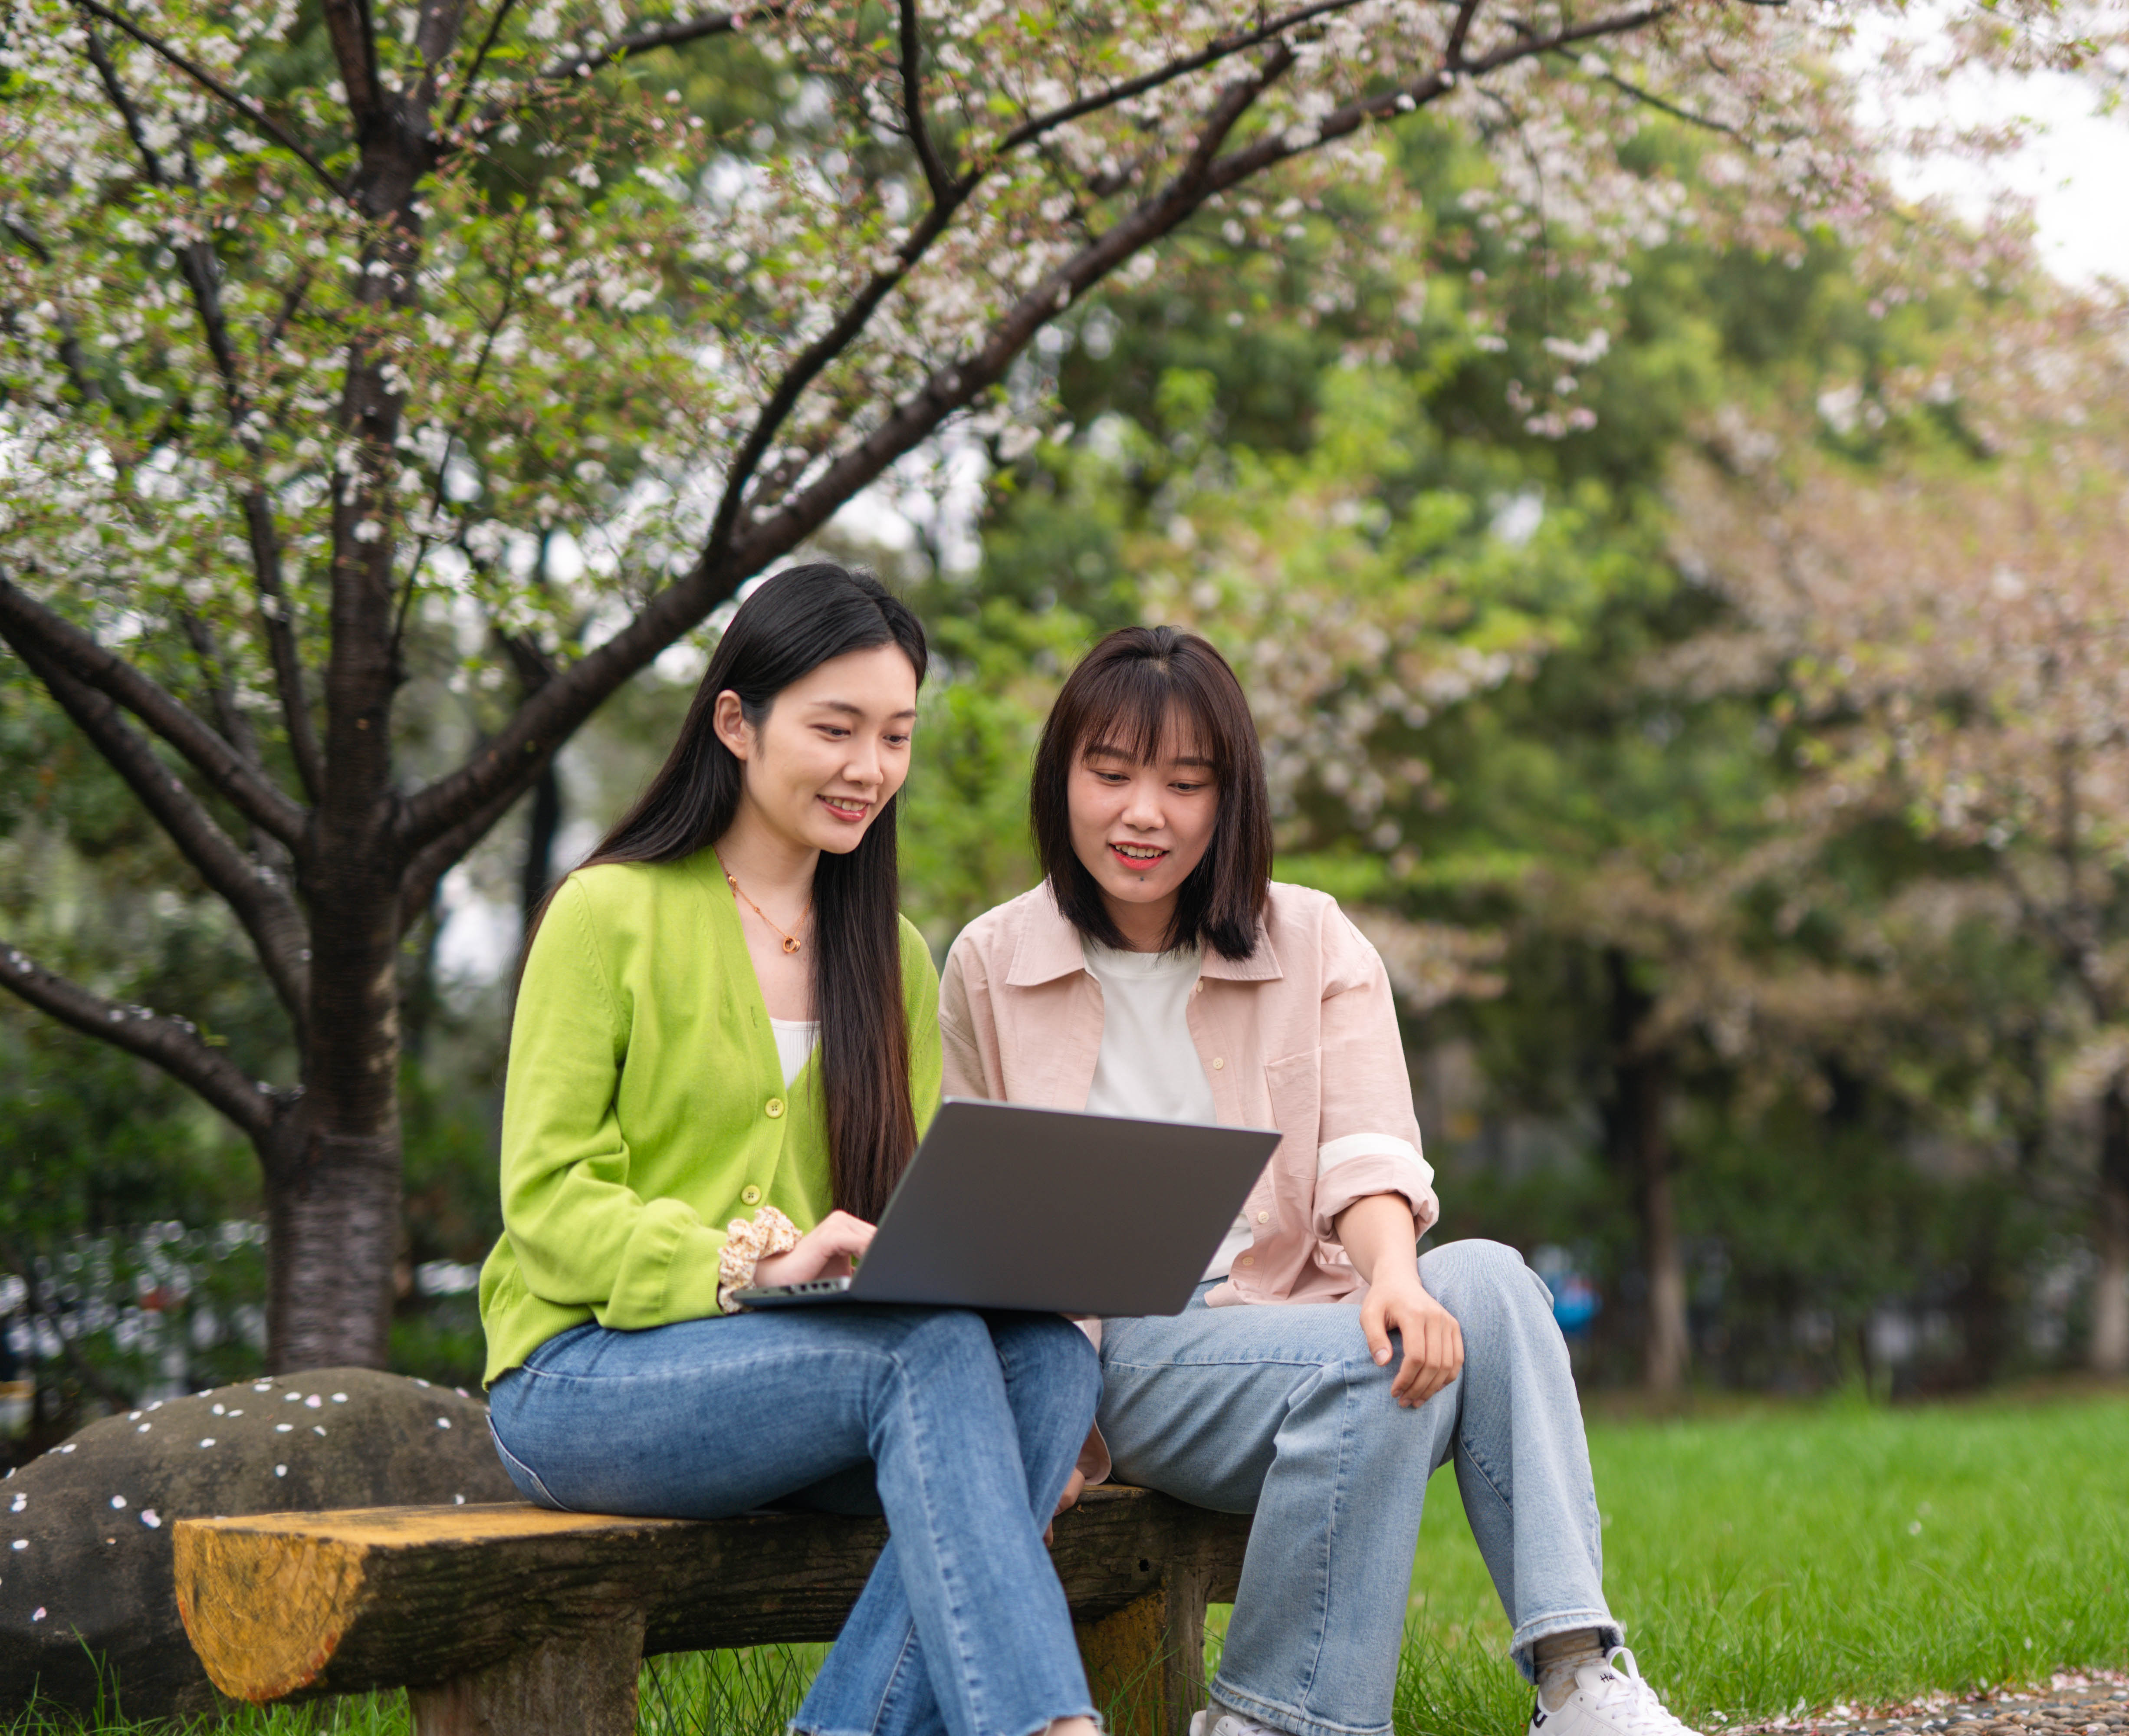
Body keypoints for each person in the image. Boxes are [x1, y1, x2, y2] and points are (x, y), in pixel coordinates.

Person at [937, 626, 1705, 1736]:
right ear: (1062, 780)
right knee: (1383, 1355)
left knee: (1482, 1278)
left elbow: (1371, 1145)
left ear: (1228, 797)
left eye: (1183, 782)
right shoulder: (990, 959)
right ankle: (1278, 1716)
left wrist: (1394, 1271)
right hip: (1122, 1350)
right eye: (1108, 774)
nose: (1141, 812)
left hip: (1302, 1311)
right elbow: (980, 1207)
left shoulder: (1311, 937)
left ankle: (1577, 1671)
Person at [477, 564, 1101, 1736]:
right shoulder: (608, 913)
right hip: (582, 1379)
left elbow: (898, 1224)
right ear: (735, 722)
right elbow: (549, 1209)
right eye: (836, 728)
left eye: (897, 736)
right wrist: (751, 1260)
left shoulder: (893, 957)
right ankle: (1050, 1726)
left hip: (802, 1387)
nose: (869, 768)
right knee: (920, 1356)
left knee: (1052, 1365)